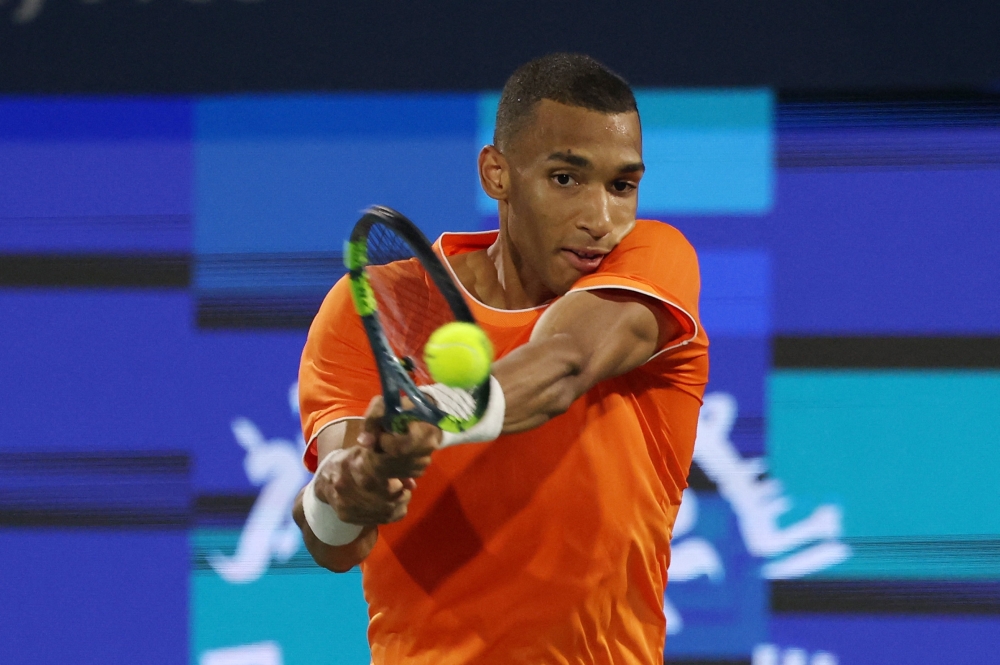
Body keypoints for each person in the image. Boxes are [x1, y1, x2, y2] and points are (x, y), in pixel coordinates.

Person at [293, 52, 709, 664]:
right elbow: (338, 543)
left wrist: (433, 413)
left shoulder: (656, 260)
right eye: (566, 178)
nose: (600, 220)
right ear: (497, 174)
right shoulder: (379, 303)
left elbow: (565, 362)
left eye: (622, 186)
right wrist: (345, 489)